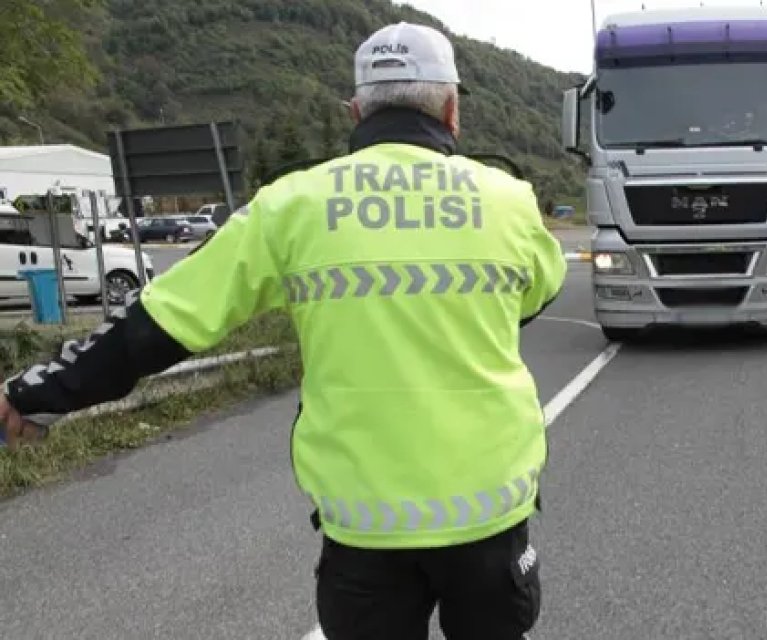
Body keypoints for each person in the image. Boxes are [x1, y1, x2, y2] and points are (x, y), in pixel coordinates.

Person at [0, 20, 567, 640]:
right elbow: (537, 293)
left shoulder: (291, 205)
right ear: (453, 110)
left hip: (363, 527)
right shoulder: (509, 199)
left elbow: (158, 323)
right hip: (489, 518)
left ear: (355, 109)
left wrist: (35, 393)